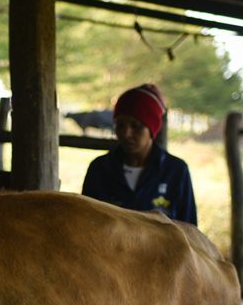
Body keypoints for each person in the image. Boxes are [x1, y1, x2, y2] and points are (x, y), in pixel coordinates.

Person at [81, 83, 197, 225]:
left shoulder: (175, 172)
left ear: (152, 129)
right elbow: (85, 225)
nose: (126, 133)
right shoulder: (100, 169)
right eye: (120, 125)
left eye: (136, 126)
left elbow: (190, 232)